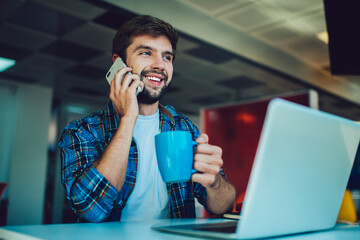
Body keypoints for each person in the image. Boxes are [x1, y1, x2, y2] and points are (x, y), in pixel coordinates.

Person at [59, 15, 236, 223]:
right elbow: (90, 209)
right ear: (118, 64)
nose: (160, 65)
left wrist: (214, 183)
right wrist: (128, 118)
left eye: (167, 57)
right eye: (146, 52)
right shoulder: (82, 131)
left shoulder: (184, 129)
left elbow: (223, 206)